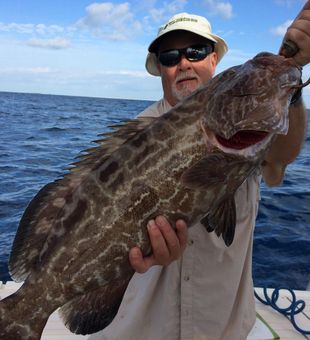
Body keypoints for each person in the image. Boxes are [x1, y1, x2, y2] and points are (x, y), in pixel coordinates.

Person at [90, 9, 310, 340]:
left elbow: (281, 157)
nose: (183, 63)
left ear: (213, 60)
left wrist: (291, 76)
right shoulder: (131, 140)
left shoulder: (249, 123)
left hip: (222, 329)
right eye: (169, 56)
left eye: (195, 52)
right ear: (160, 69)